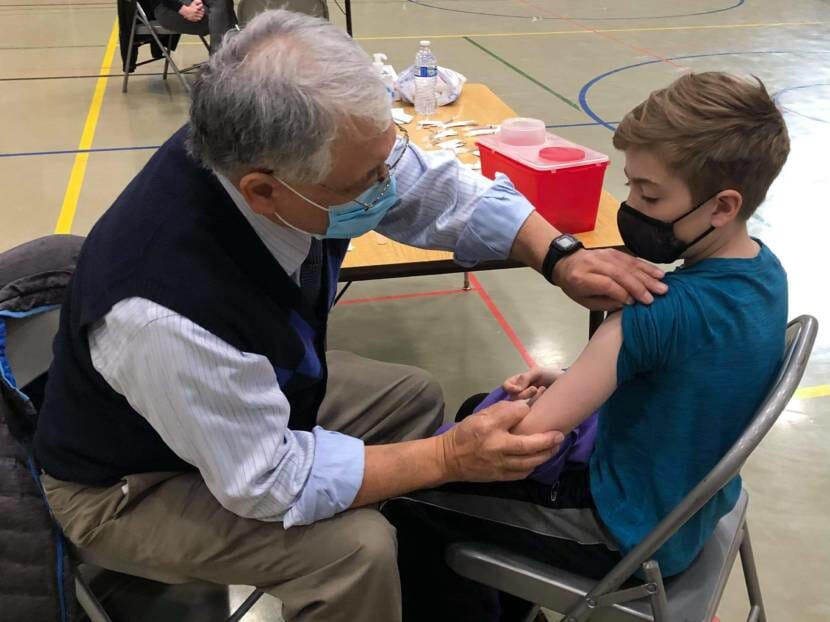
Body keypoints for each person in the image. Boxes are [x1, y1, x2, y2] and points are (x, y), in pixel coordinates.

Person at [33, 11, 664, 622]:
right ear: (263, 191)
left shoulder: (280, 150)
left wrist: (557, 256)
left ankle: (422, 592)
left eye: (385, 160)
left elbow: (424, 185)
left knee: (412, 397)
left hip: (219, 415)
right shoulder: (164, 312)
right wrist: (449, 458)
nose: (387, 186)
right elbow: (266, 479)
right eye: (365, 180)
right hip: (127, 486)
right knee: (354, 553)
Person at [384, 71, 791, 621]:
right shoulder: (768, 272)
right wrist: (580, 379)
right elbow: (697, 374)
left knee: (407, 505)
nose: (632, 205)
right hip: (690, 505)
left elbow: (523, 442)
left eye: (649, 194)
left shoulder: (651, 312)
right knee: (471, 409)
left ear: (722, 206)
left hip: (625, 533)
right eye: (631, 185)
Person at [145, 0, 237, 53]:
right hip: (167, 7)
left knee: (223, 9)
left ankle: (222, 64)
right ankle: (221, 66)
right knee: (223, 17)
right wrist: (182, 9)